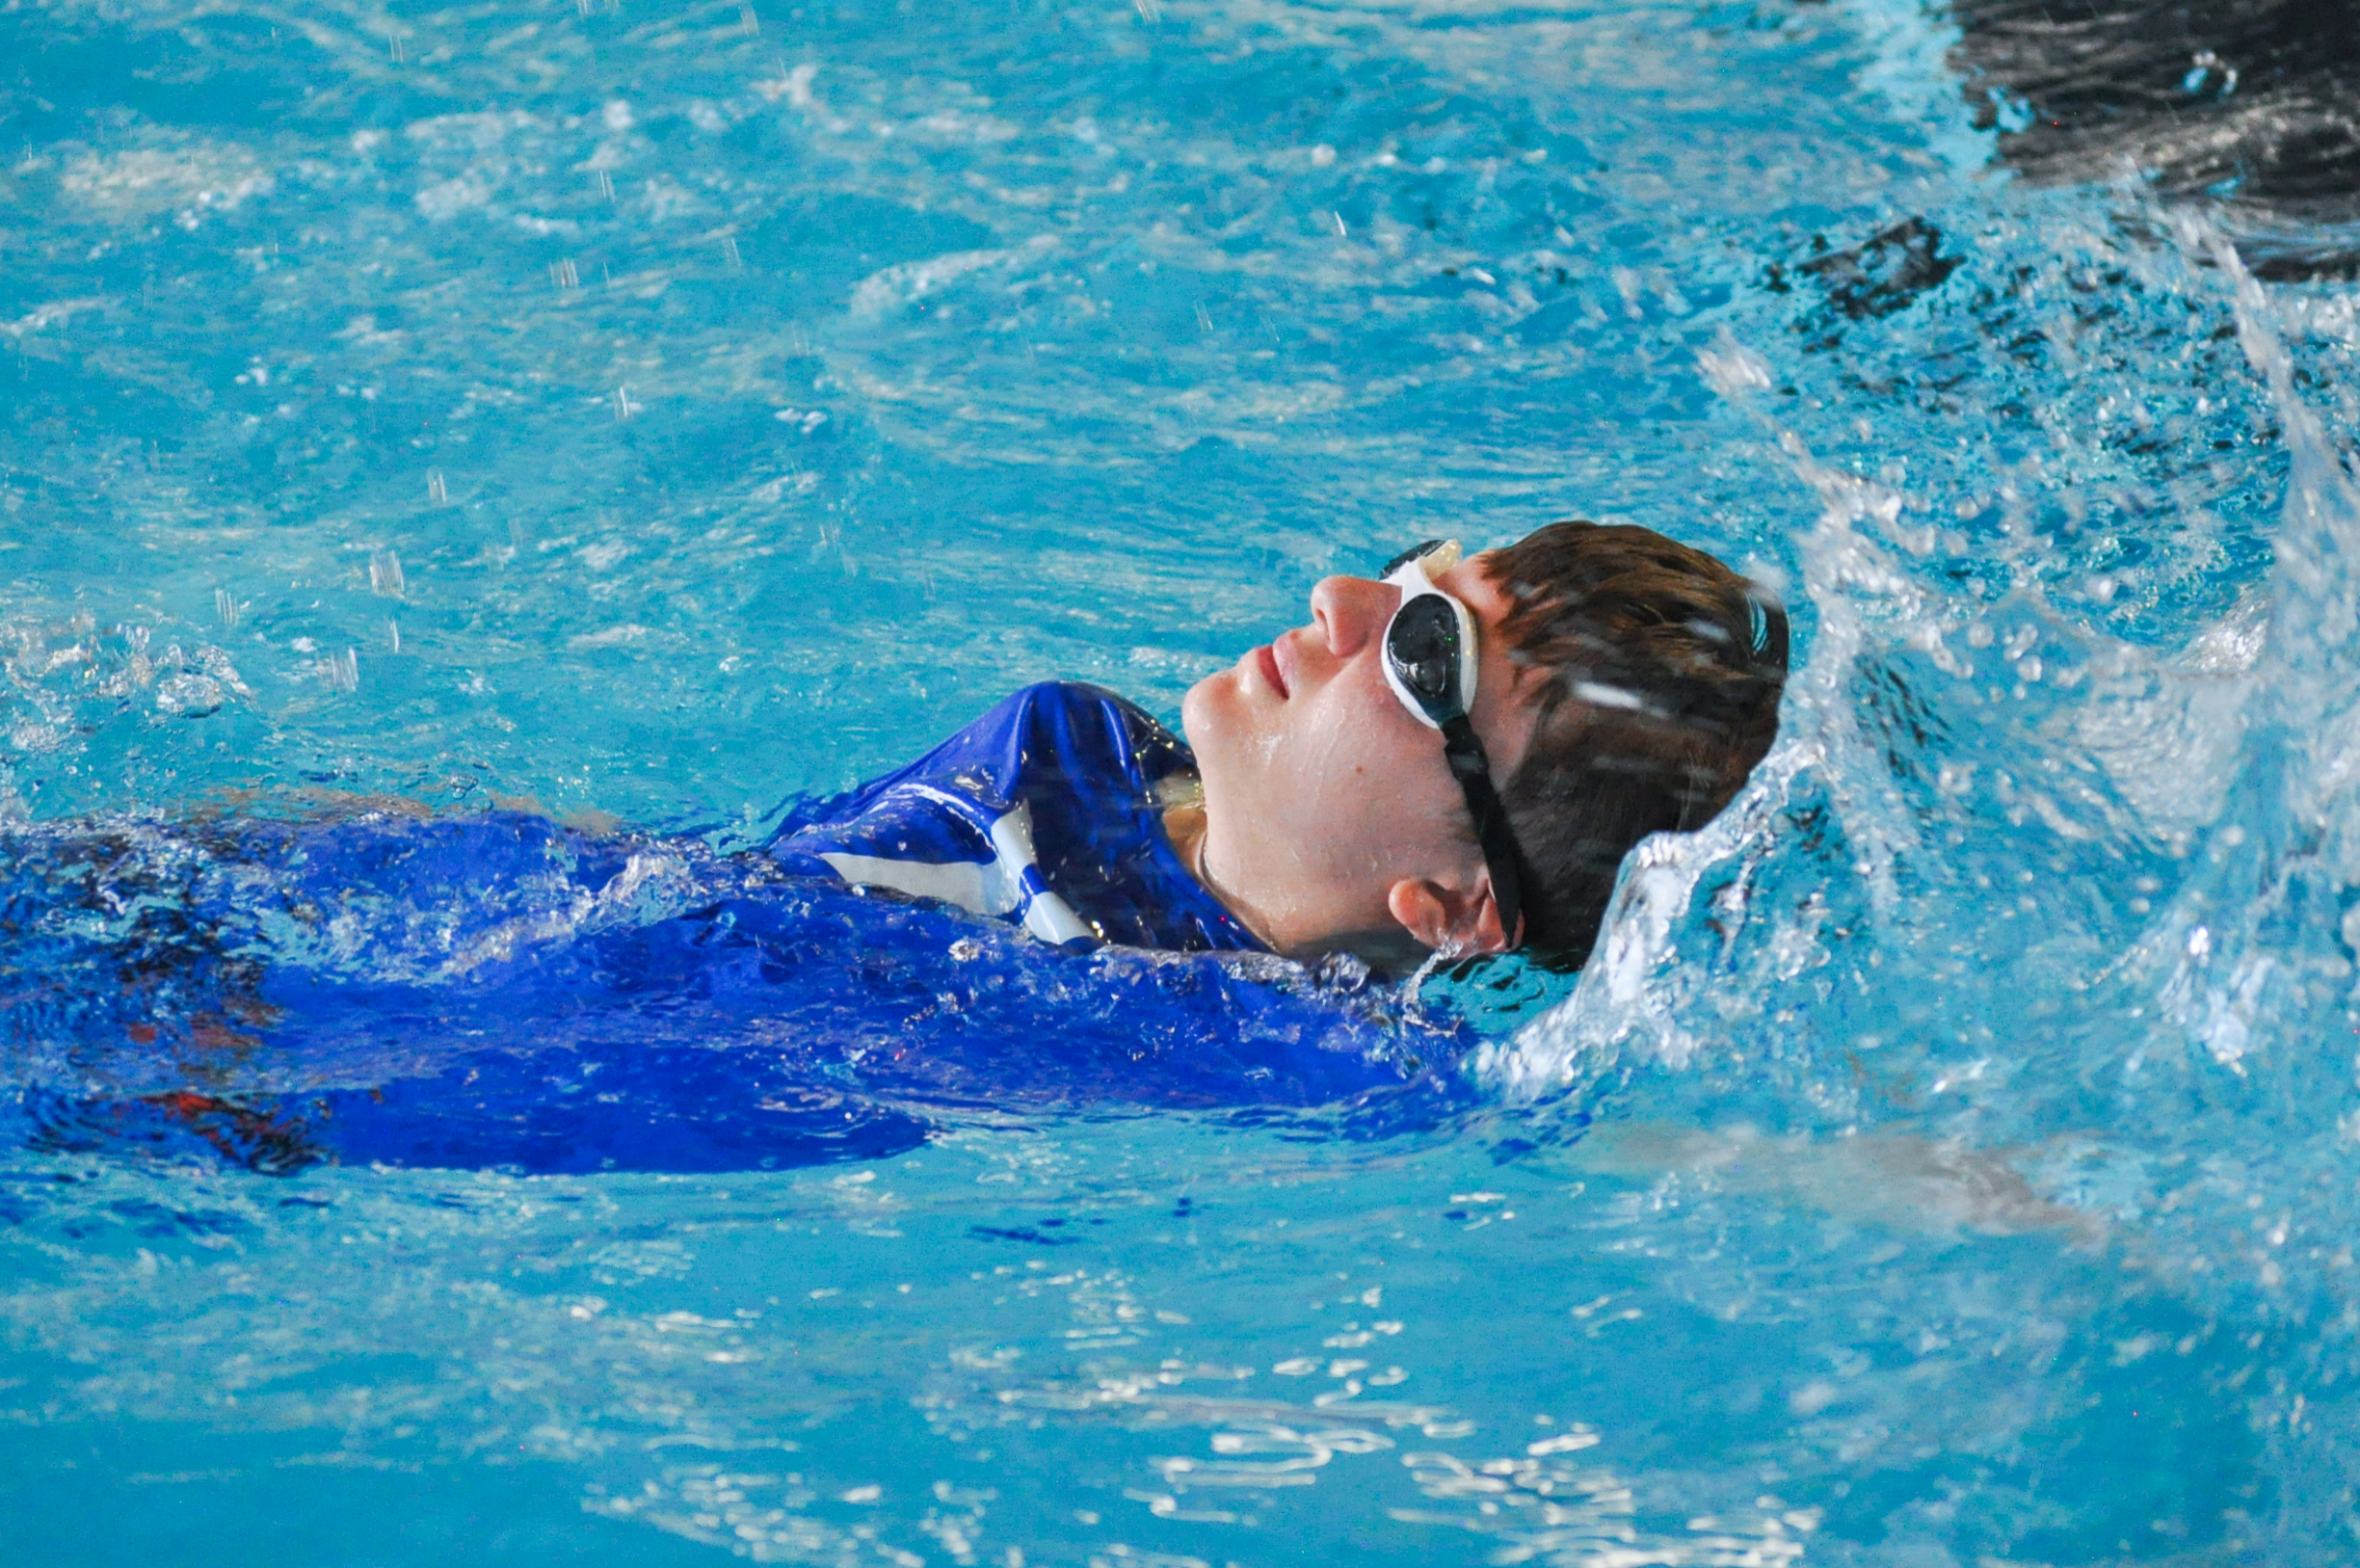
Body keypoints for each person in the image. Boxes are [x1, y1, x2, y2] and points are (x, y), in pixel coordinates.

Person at [769, 519, 1788, 972]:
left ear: (1457, 905)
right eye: (1416, 575)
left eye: (1423, 652)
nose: (1339, 599)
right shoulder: (1071, 747)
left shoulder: (1281, 1055)